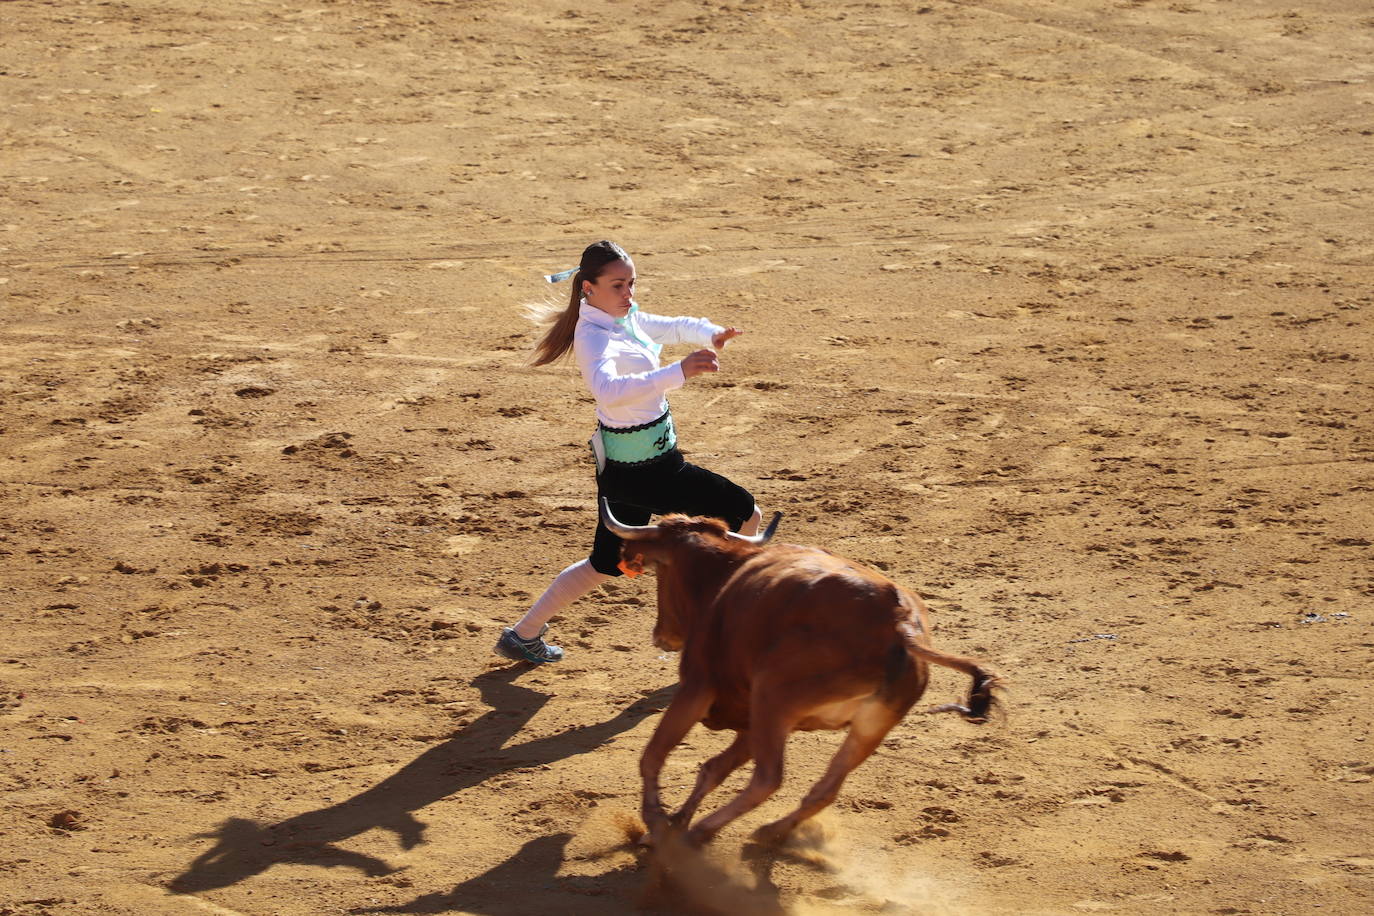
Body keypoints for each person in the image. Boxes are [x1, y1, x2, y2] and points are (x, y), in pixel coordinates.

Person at [494, 240, 763, 664]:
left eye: (631, 284)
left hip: (626, 467)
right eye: (618, 286)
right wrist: (677, 372)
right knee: (746, 513)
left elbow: (670, 326)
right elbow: (608, 391)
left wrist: (709, 333)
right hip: (651, 471)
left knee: (608, 563)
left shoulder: (624, 318)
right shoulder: (592, 335)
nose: (628, 295)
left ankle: (522, 634)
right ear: (588, 288)